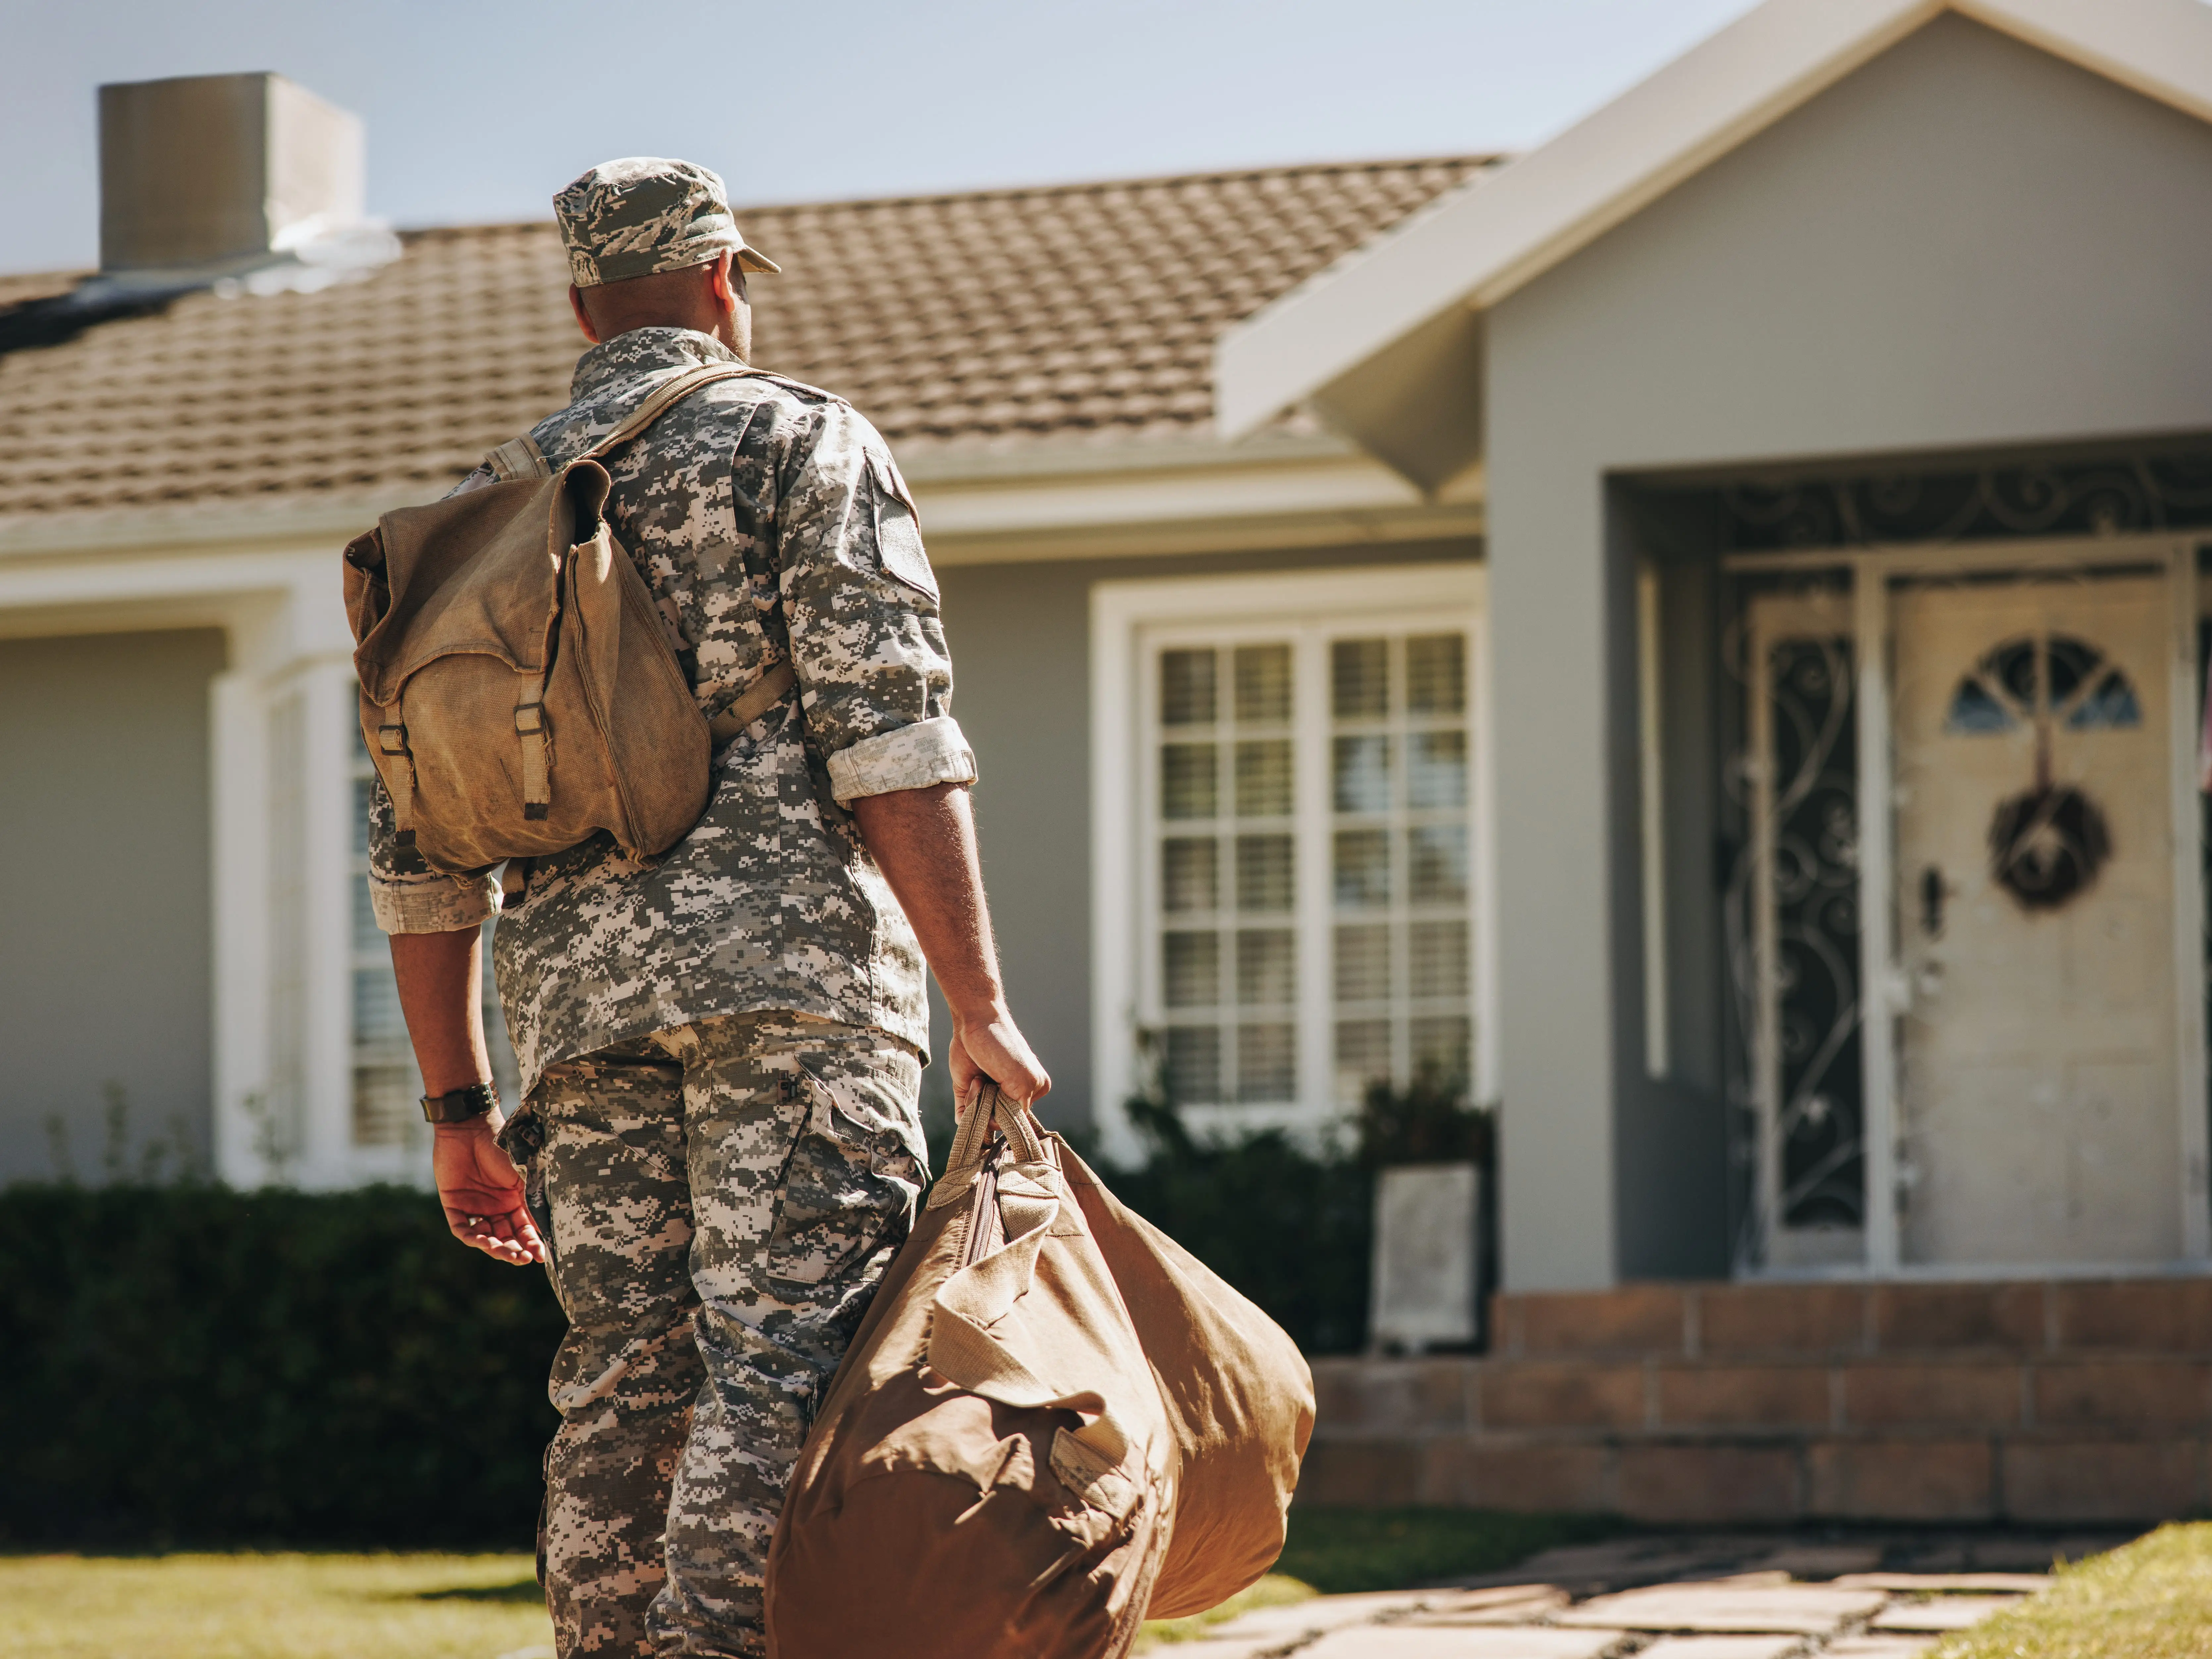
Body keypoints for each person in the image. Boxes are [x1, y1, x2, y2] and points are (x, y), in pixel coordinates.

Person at [368, 155, 1049, 1659]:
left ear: (579, 303)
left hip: (568, 1019)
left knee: (622, 1376)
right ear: (728, 277)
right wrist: (977, 1003)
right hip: (789, 991)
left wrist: (454, 1107)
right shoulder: (800, 442)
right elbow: (894, 739)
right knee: (783, 1365)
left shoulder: (482, 514)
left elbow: (417, 847)